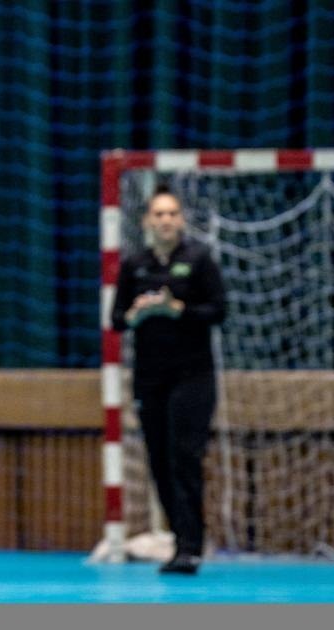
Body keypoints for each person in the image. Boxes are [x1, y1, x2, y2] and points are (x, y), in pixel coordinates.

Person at [110, 185, 225, 574]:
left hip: (193, 376)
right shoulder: (134, 264)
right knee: (159, 459)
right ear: (147, 221)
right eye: (158, 214)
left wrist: (178, 309)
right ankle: (179, 539)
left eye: (172, 213)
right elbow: (116, 319)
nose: (166, 220)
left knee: (184, 457)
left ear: (181, 220)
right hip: (150, 378)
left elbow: (219, 310)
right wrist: (137, 314)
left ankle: (191, 545)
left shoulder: (199, 259)